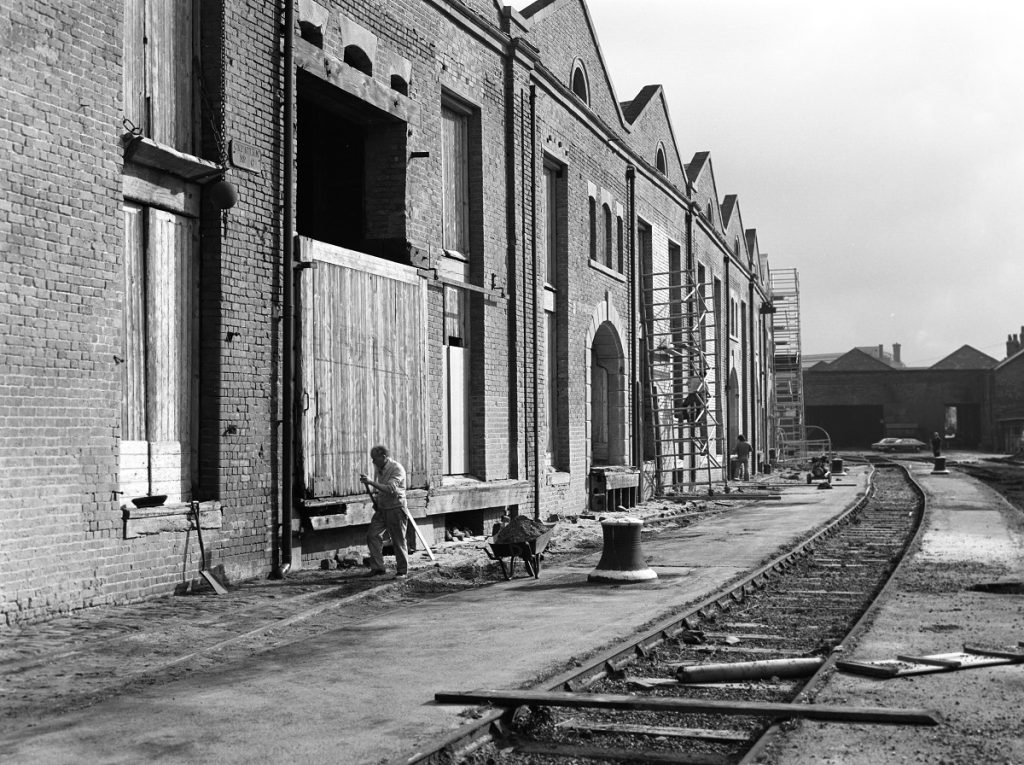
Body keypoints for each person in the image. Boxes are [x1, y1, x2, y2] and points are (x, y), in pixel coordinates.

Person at [360, 445, 409, 578]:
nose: (373, 462)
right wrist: (377, 499)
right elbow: (381, 490)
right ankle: (378, 567)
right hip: (382, 509)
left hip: (396, 509)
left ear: (383, 457)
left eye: (374, 459)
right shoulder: (379, 467)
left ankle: (402, 571)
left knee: (398, 540)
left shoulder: (396, 468)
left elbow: (390, 489)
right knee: (372, 535)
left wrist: (370, 482)